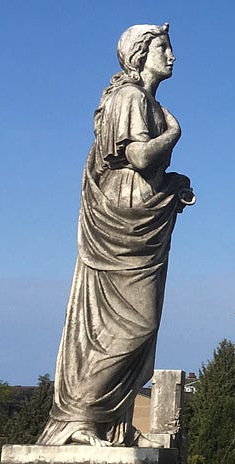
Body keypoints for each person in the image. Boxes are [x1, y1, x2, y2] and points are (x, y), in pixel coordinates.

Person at [39, 23, 195, 447]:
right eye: (163, 47)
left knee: (131, 325)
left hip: (140, 218)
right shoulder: (130, 97)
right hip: (123, 222)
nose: (172, 55)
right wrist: (174, 134)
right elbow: (139, 156)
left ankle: (113, 424)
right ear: (140, 54)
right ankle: (79, 415)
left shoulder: (144, 100)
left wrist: (173, 183)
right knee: (134, 325)